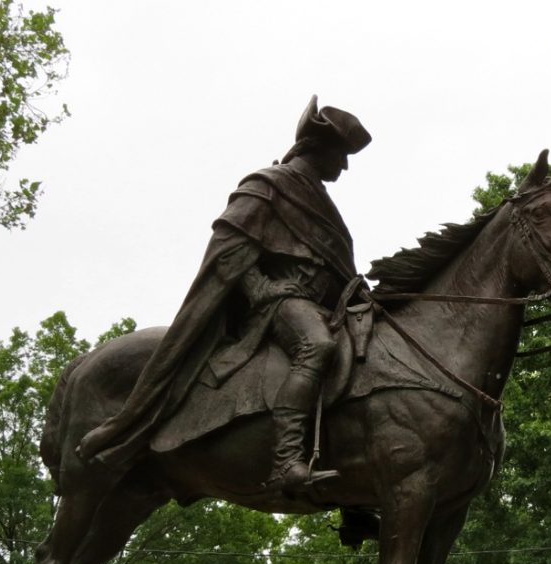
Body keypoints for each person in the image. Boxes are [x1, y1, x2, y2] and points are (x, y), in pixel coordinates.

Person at [77, 95, 371, 496]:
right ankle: (286, 461)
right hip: (281, 304)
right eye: (341, 155)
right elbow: (229, 257)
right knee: (316, 347)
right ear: (319, 149)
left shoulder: (323, 202)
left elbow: (338, 269)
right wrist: (264, 290)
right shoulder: (268, 186)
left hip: (322, 307)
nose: (345, 165)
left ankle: (358, 492)